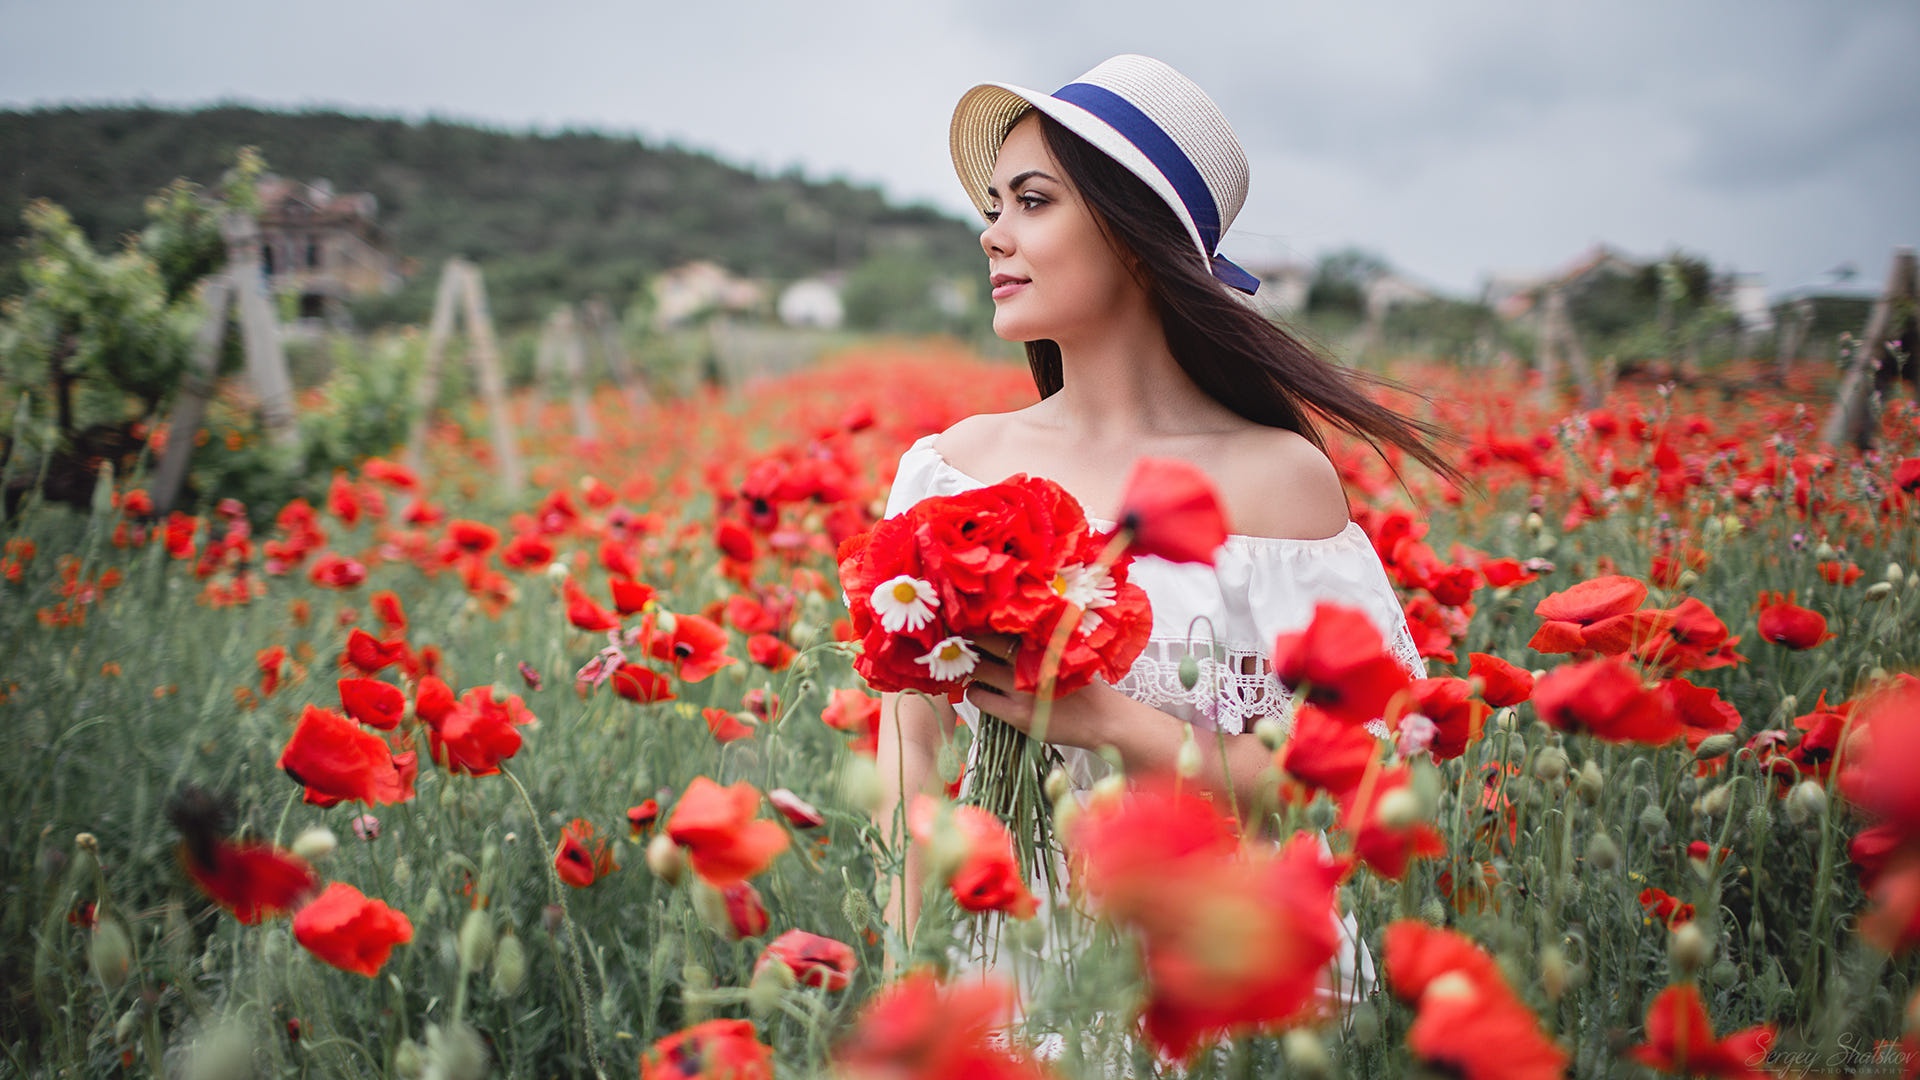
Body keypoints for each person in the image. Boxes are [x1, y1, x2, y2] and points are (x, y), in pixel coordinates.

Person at [873, 54, 1457, 991]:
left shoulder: (1277, 482)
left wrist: (1115, 726)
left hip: (1230, 966)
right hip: (1009, 963)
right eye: (993, 206)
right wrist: (908, 958)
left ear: (1136, 239)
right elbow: (906, 743)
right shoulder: (951, 467)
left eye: (1032, 201)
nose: (992, 235)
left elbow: (1359, 784)